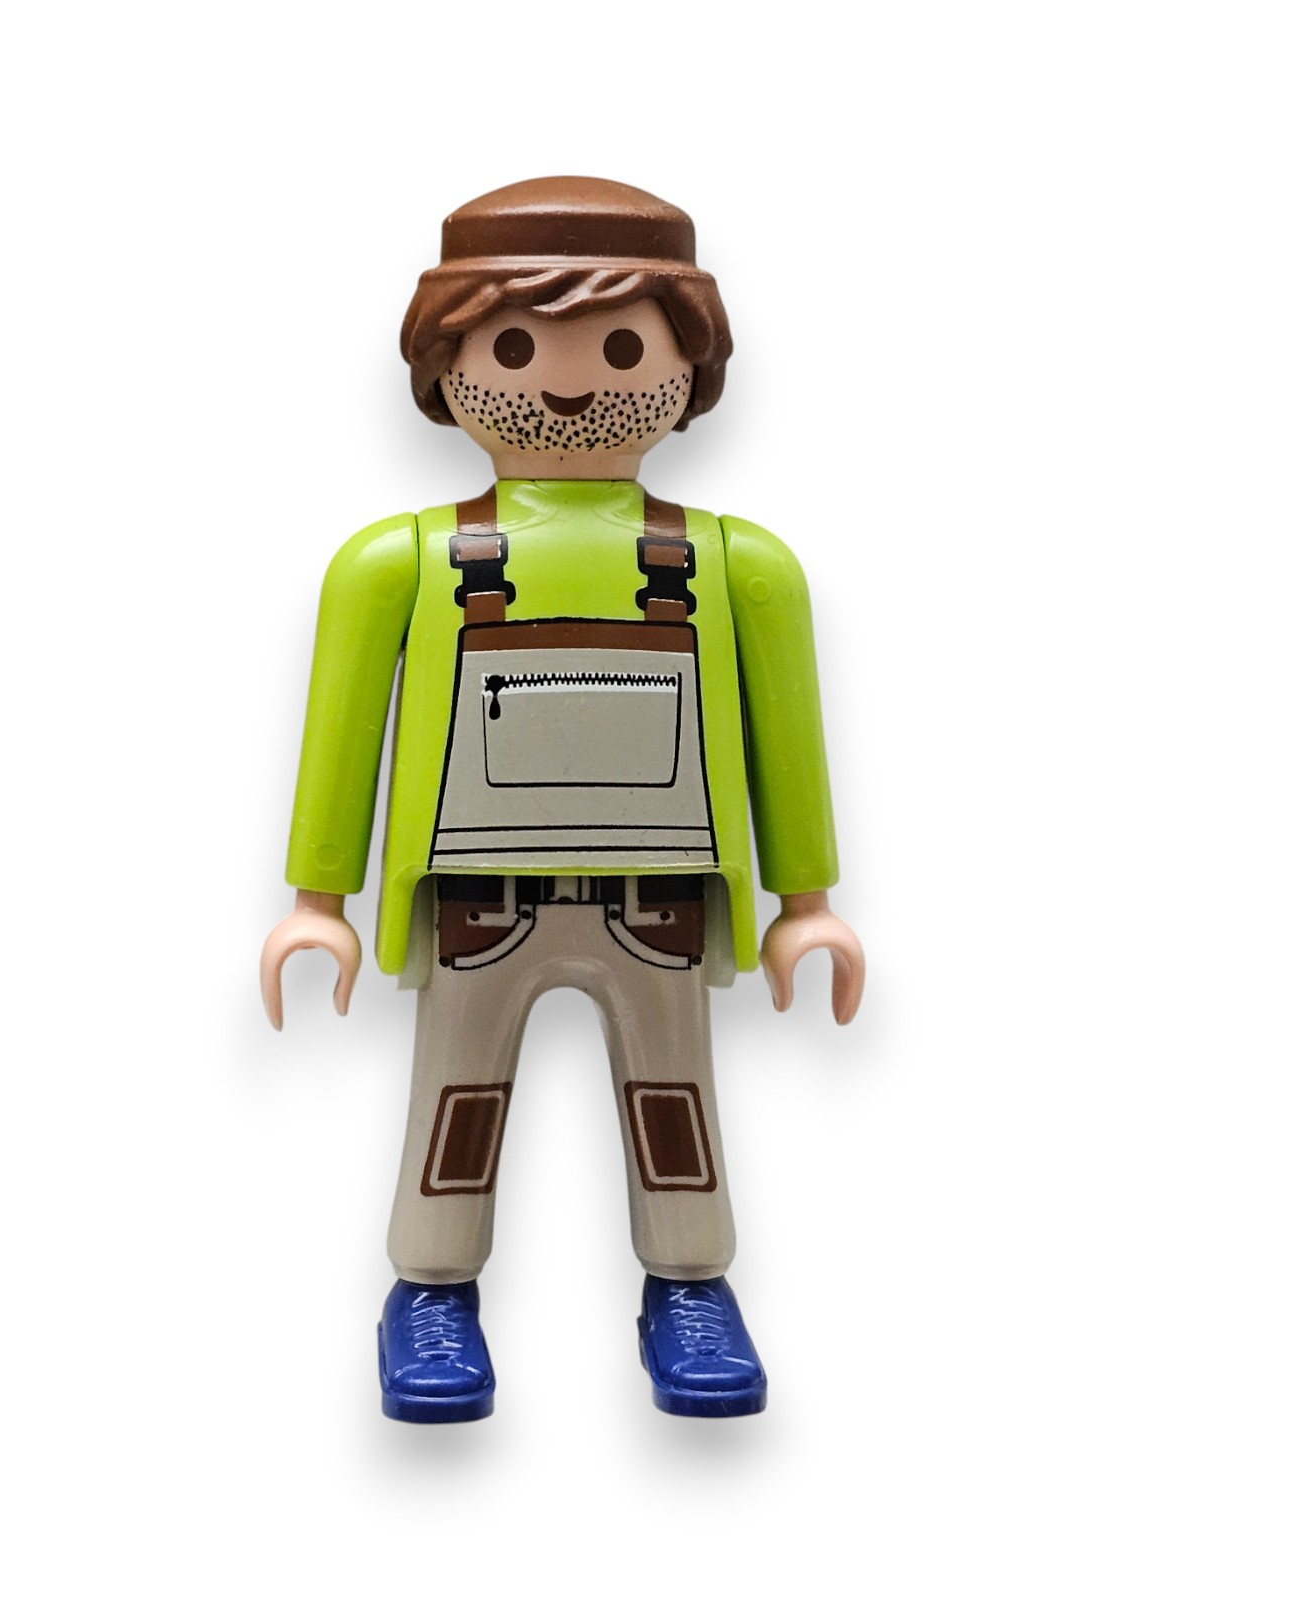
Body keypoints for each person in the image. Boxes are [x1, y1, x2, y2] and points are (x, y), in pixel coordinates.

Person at [260, 176, 864, 1422]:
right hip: (478, 897)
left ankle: (689, 1283)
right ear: (445, 366)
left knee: (673, 1093)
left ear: (690, 368)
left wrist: (806, 900)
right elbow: (343, 732)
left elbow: (786, 735)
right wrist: (316, 898)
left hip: (661, 895)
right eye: (515, 348)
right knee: (456, 1094)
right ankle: (431, 1289)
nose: (573, 383)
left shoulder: (735, 564)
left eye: (624, 348)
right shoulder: (401, 562)